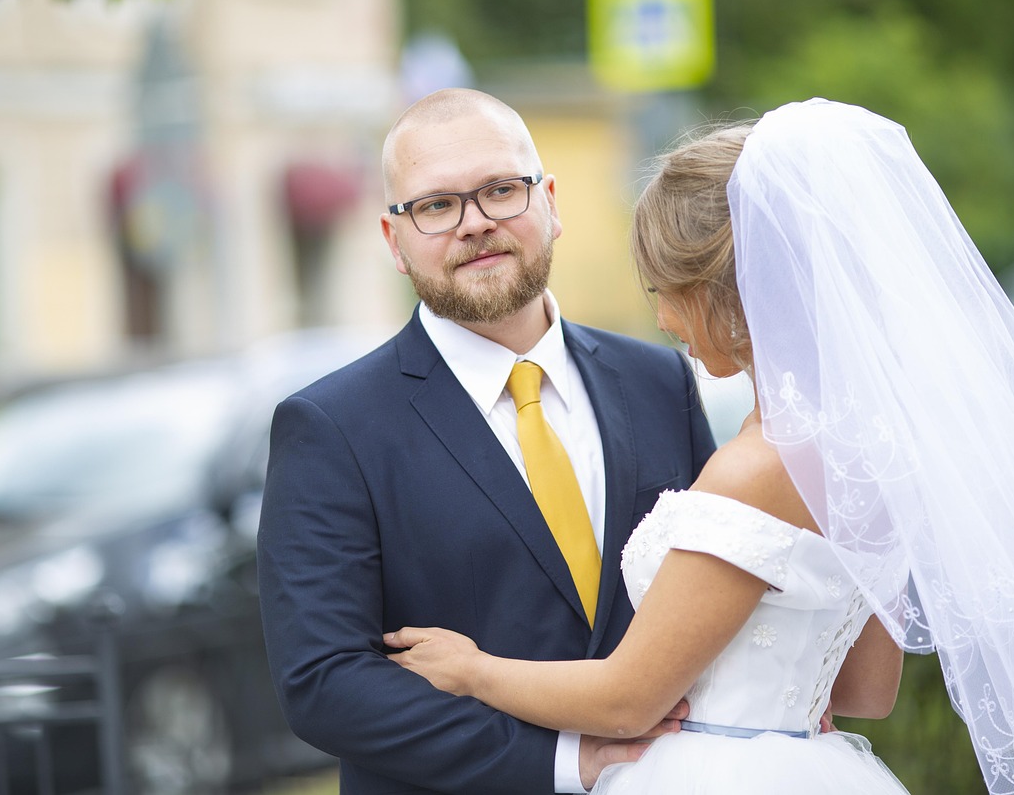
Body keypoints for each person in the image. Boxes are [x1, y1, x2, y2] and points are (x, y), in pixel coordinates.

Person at [385, 98, 1014, 795]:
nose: (665, 317)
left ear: (725, 288)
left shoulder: (757, 465)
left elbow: (627, 700)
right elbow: (868, 690)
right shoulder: (864, 452)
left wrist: (473, 668)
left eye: (663, 289)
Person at [256, 87, 718, 794]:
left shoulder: (657, 380)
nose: (475, 223)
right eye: (436, 205)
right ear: (394, 241)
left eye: (501, 189)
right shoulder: (331, 429)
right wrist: (566, 761)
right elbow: (324, 682)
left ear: (552, 203)